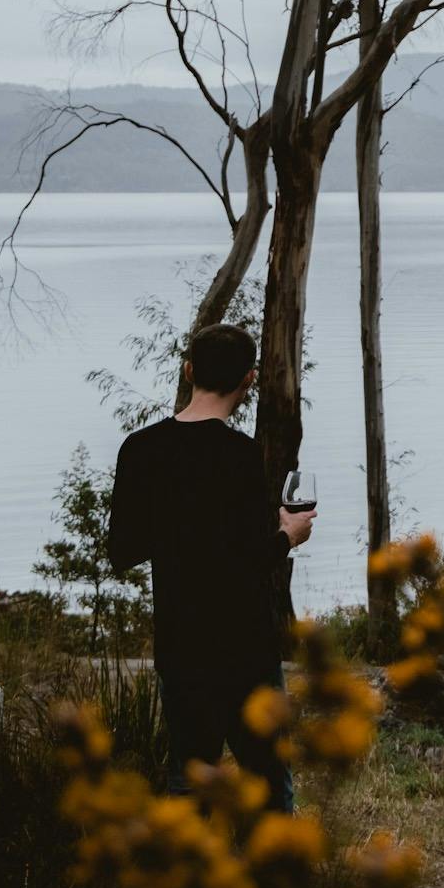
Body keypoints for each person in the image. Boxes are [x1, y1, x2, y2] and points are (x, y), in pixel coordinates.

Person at [106, 321, 315, 831]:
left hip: (181, 647)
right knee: (269, 781)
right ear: (249, 381)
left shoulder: (140, 449)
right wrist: (288, 536)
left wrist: (174, 530)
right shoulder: (240, 455)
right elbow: (247, 563)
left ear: (189, 370)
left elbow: (122, 552)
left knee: (188, 783)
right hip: (245, 649)